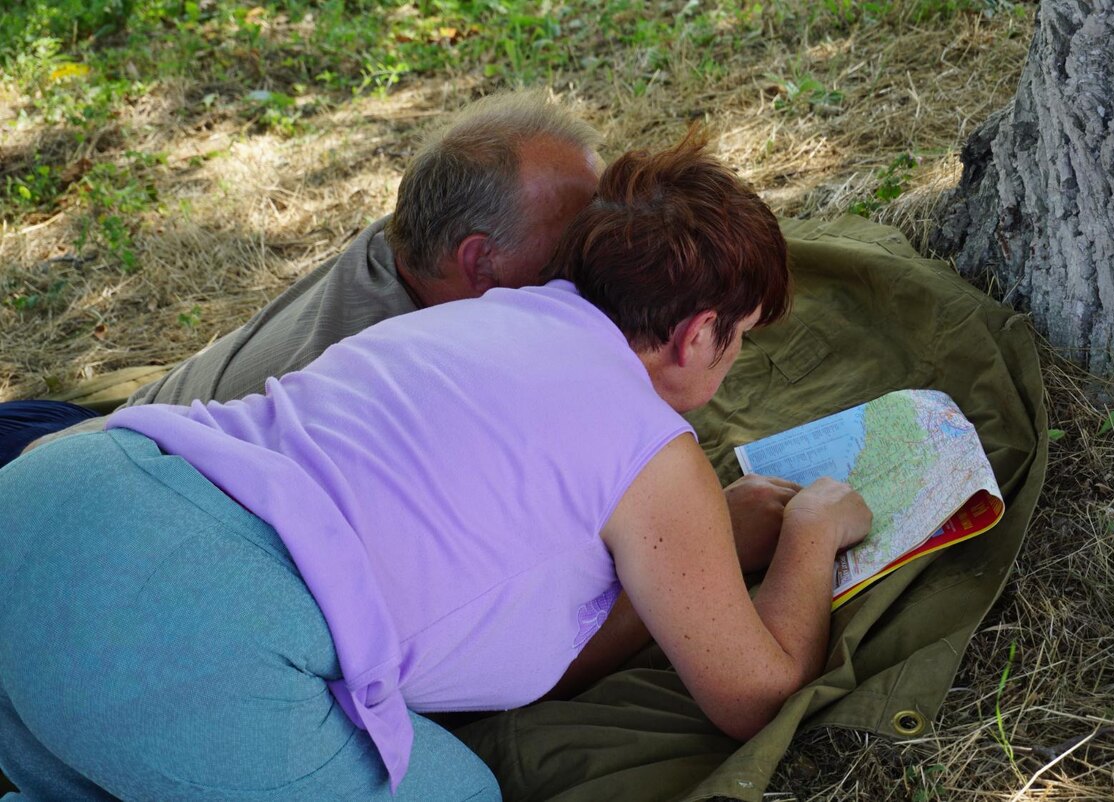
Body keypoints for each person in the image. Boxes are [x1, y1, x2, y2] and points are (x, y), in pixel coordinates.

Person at [0, 132, 871, 800]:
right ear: (696, 333)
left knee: (82, 742)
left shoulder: (469, 318)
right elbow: (754, 696)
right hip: (205, 629)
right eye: (740, 340)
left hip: (60, 493)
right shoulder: (656, 451)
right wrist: (810, 532)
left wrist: (701, 546)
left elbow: (522, 631)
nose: (732, 366)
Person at [0, 89, 604, 462]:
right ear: (478, 260)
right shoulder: (377, 386)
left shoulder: (413, 239)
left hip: (83, 429)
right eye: (574, 241)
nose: (593, 256)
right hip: (56, 477)